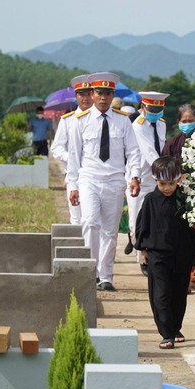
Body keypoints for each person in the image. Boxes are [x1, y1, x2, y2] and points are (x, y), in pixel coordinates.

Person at [66, 72, 142, 291]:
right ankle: (90, 271)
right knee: (90, 222)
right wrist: (73, 185)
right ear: (91, 94)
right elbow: (74, 156)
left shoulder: (122, 121)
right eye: (99, 93)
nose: (103, 98)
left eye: (108, 94)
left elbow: (133, 152)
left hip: (115, 180)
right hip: (89, 178)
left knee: (110, 230)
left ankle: (106, 275)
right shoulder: (79, 121)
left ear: (112, 96)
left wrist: (134, 176)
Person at [134, 156, 195, 349]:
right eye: (162, 183)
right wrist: (143, 251)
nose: (167, 188)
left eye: (171, 184)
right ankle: (166, 333)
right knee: (160, 294)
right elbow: (143, 226)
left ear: (178, 180)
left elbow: (194, 227)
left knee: (179, 293)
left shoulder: (185, 200)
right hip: (157, 254)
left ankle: (175, 328)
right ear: (155, 180)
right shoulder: (150, 200)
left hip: (182, 253)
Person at [126, 91, 169, 276]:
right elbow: (149, 152)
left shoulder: (161, 124)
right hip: (140, 177)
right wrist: (166, 172)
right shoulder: (138, 125)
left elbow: (161, 148)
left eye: (159, 109)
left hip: (157, 179)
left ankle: (149, 253)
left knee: (154, 219)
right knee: (136, 218)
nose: (156, 113)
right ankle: (141, 256)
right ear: (143, 107)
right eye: (152, 109)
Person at [161, 103, 195, 292]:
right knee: (179, 241)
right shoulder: (171, 143)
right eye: (184, 121)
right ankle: (181, 280)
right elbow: (163, 170)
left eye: (191, 121)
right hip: (176, 198)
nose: (187, 124)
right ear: (178, 122)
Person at [51, 74, 93, 225]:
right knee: (76, 218)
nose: (86, 98)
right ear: (76, 96)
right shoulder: (68, 120)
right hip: (75, 175)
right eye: (82, 95)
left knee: (94, 219)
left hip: (95, 174)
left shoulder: (100, 119)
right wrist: (72, 158)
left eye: (89, 94)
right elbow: (56, 147)